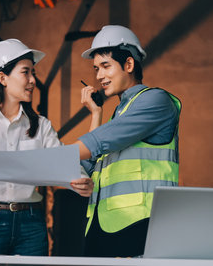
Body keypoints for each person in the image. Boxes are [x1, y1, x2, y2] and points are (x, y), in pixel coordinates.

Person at [0, 39, 94, 256]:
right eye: (26, 72)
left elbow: (67, 165)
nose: (33, 80)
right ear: (3, 78)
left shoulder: (41, 126)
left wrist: (80, 181)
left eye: (33, 73)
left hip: (31, 223)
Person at [69, 25, 182, 257]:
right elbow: (89, 164)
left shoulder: (155, 101)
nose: (99, 76)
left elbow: (96, 143)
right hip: (103, 225)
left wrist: (46, 160)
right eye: (96, 68)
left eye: (106, 66)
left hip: (139, 225)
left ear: (129, 65)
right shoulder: (119, 115)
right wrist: (96, 114)